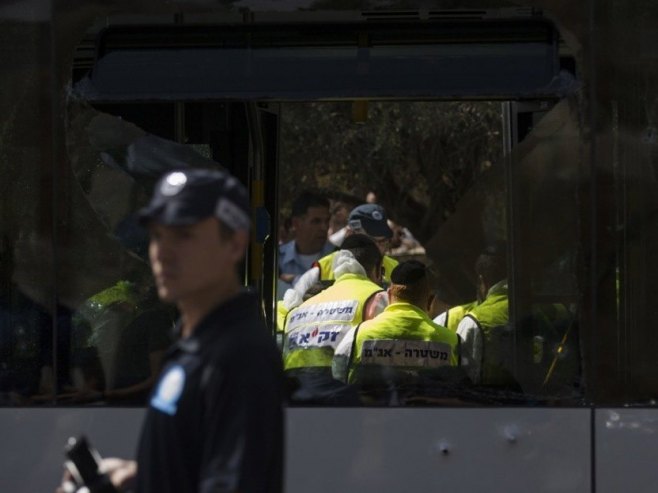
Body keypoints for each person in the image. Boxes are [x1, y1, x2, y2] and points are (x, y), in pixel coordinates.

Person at [58, 168, 283, 493]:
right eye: (158, 236)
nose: (161, 253)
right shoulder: (193, 342)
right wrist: (134, 476)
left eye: (184, 235)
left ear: (235, 243)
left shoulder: (239, 356)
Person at [333, 260, 459, 386]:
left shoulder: (359, 334)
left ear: (388, 295)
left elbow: (338, 378)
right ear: (430, 300)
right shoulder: (450, 340)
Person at [282, 234, 387, 374]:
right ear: (379, 270)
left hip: (297, 389)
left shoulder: (304, 306)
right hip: (345, 390)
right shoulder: (379, 298)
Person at [293, 203, 399, 298]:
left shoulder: (395, 269)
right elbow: (289, 309)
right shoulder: (321, 271)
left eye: (383, 241)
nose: (378, 247)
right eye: (371, 240)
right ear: (349, 234)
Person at [277, 191, 334, 298]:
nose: (324, 227)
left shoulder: (337, 257)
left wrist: (295, 279)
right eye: (316, 221)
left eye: (327, 221)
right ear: (296, 224)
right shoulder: (277, 259)